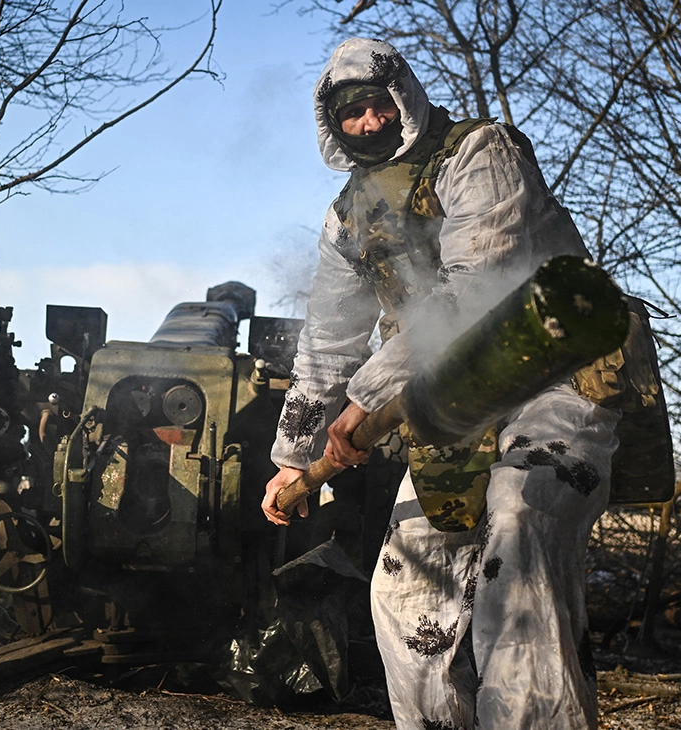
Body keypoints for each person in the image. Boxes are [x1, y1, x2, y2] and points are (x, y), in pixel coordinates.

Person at [262, 38, 619, 730]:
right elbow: (329, 337)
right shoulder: (347, 217)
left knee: (521, 523)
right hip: (447, 407)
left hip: (552, 376)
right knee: (406, 582)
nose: (367, 124)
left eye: (375, 106)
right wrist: (294, 457)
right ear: (329, 126)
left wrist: (371, 391)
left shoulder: (481, 154)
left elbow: (478, 286)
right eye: (349, 116)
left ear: (402, 97)